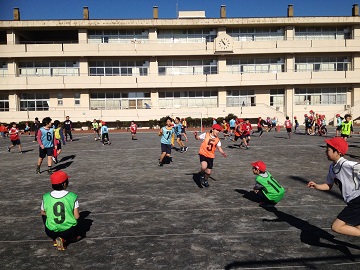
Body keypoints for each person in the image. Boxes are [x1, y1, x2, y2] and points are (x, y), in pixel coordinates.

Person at [307, 137, 360, 237]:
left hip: (357, 202)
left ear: (338, 152)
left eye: (328, 150)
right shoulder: (332, 167)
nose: (326, 152)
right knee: (357, 226)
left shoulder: (348, 165)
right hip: (352, 202)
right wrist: (317, 186)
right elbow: (329, 185)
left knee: (336, 227)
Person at [40, 170, 81, 250]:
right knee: (80, 233)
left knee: (45, 217)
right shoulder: (72, 196)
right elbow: (77, 216)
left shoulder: (46, 197)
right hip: (68, 231)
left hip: (50, 231)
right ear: (64, 184)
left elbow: (43, 213)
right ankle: (66, 239)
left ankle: (56, 238)